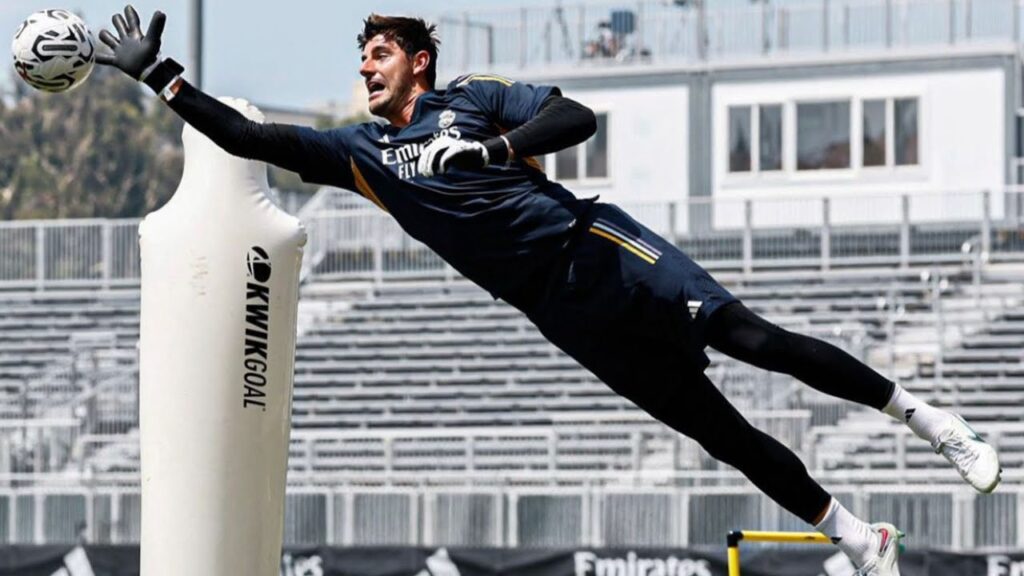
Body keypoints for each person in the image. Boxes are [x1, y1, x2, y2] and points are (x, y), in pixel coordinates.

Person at [96, 7, 1000, 574]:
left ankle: (928, 420)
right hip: (558, 311)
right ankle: (858, 538)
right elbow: (252, 141)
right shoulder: (358, 155)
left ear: (416, 60)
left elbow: (577, 115)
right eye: (361, 58)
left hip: (597, 247)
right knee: (718, 432)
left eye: (377, 53)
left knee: (751, 338)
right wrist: (157, 77)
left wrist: (489, 149)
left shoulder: (474, 98)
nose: (364, 69)